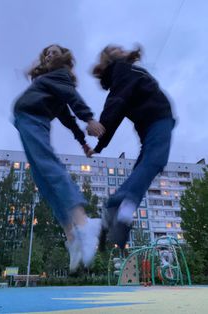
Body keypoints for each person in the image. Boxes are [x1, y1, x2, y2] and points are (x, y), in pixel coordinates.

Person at [13, 44, 105, 272]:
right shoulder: (50, 80)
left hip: (33, 120)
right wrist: (82, 141)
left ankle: (85, 224)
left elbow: (71, 97)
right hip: (28, 122)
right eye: (46, 53)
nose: (48, 54)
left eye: (54, 51)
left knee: (50, 168)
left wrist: (89, 118)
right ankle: (72, 237)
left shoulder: (61, 76)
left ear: (64, 57)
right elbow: (65, 116)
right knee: (44, 182)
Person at [88, 45, 175, 249]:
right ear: (110, 58)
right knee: (155, 161)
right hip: (158, 120)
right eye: (116, 48)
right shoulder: (122, 69)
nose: (121, 48)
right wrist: (101, 131)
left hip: (149, 126)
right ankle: (117, 205)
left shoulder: (122, 71)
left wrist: (100, 145)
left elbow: (118, 107)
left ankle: (121, 215)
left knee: (143, 169)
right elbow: (116, 101)